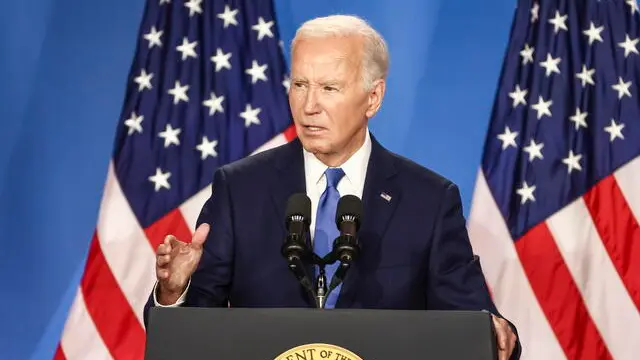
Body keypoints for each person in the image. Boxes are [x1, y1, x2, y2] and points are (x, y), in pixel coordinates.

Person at [144, 14, 520, 359]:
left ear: (373, 97)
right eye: (300, 85)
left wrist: (493, 331)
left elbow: (472, 321)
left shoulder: (429, 200)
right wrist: (174, 292)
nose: (309, 105)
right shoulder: (240, 189)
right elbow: (188, 334)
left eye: (329, 88)